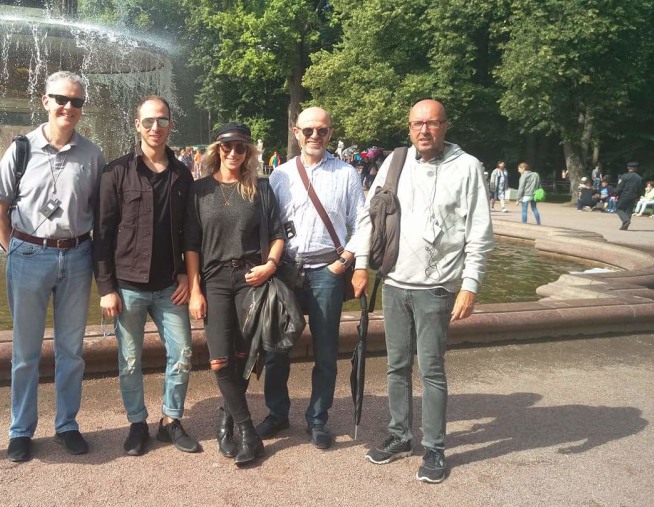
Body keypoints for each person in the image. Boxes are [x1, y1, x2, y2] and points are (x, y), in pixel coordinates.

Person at [359, 99, 493, 484]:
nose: (424, 130)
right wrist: (363, 265)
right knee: (396, 366)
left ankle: (434, 448)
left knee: (432, 369)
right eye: (418, 123)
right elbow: (372, 216)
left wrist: (470, 285)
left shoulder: (467, 167)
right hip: (395, 282)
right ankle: (400, 436)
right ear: (409, 127)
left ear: (445, 126)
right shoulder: (394, 162)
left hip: (436, 286)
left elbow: (480, 233)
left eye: (432, 123)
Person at [0, 71, 105, 462]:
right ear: (45, 101)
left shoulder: (92, 154)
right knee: (25, 352)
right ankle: (21, 430)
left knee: (72, 351)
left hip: (76, 254)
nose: (68, 107)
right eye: (61, 99)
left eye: (76, 101)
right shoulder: (20, 149)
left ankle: (67, 424)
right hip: (29, 254)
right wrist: (16, 252)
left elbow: (100, 214)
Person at [93, 96, 199, 456]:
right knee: (130, 360)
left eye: (163, 121)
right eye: (149, 121)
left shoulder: (182, 174)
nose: (156, 128)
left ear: (171, 125)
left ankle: (170, 421)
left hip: (171, 284)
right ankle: (137, 423)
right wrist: (106, 287)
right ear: (137, 125)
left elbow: (188, 231)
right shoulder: (115, 172)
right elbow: (102, 234)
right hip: (128, 286)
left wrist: (186, 274)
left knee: (183, 351)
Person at [261, 107, 366, 450]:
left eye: (321, 130)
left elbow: (363, 222)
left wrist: (348, 259)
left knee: (325, 350)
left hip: (327, 270)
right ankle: (277, 413)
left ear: (330, 132)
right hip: (287, 270)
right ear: (296, 132)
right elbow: (268, 225)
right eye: (308, 130)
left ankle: (318, 418)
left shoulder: (346, 174)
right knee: (276, 347)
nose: (314, 137)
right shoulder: (280, 175)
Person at [184, 122, 285, 466]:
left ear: (248, 152)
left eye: (240, 147)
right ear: (217, 149)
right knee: (219, 358)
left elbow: (277, 233)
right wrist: (195, 289)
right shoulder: (199, 191)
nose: (233, 153)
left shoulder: (259, 188)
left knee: (244, 356)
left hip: (250, 277)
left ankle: (228, 418)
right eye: (227, 146)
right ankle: (248, 430)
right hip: (214, 279)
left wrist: (270, 265)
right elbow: (191, 246)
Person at [615, 161, 643, 230]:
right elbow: (640, 188)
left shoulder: (624, 176)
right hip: (633, 196)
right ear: (636, 168)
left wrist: (616, 194)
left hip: (624, 195)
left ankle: (625, 220)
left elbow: (620, 186)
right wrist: (638, 196)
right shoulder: (639, 178)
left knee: (619, 209)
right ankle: (625, 226)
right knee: (628, 210)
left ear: (628, 168)